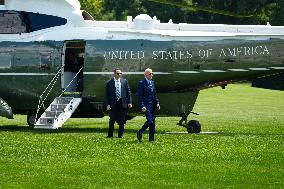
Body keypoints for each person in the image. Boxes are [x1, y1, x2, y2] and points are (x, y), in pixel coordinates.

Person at [106, 68, 132, 138]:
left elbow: (128, 93)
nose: (119, 75)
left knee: (122, 120)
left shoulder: (124, 82)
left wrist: (129, 102)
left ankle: (120, 135)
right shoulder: (109, 82)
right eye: (118, 73)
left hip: (122, 103)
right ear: (114, 74)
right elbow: (107, 95)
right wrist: (108, 104)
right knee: (112, 120)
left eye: (121, 73)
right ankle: (110, 135)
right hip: (113, 104)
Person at [136, 68, 160, 142]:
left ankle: (151, 140)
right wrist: (142, 105)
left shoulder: (152, 82)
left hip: (152, 105)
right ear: (145, 74)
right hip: (146, 106)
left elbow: (154, 94)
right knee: (150, 121)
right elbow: (139, 96)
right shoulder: (141, 83)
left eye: (152, 73)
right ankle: (140, 131)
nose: (151, 75)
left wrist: (157, 103)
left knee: (153, 123)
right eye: (150, 74)